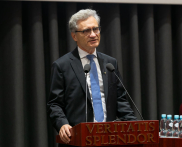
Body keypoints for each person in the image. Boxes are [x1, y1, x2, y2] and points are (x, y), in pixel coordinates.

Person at [47, 9, 137, 147]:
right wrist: (63, 124)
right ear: (74, 36)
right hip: (78, 139)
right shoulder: (62, 66)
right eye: (86, 31)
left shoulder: (110, 63)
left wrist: (135, 125)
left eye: (96, 29)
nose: (93, 34)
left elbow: (120, 99)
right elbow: (55, 104)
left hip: (109, 139)